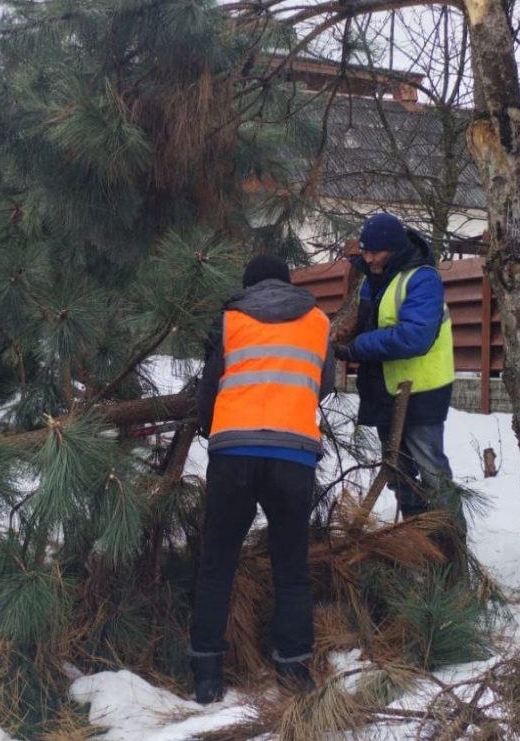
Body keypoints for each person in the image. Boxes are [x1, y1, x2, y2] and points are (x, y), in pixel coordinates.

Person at [190, 254, 335, 704]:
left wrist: (207, 425)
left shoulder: (230, 318)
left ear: (248, 285)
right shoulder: (318, 322)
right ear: (288, 284)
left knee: (217, 565)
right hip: (293, 455)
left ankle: (207, 675)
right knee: (291, 569)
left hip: (234, 451)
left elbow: (210, 385)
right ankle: (293, 671)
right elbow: (325, 383)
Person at [332, 213, 462, 524]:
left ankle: (451, 542)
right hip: (383, 389)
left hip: (421, 390)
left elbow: (414, 336)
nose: (368, 258)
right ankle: (415, 538)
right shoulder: (370, 279)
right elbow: (361, 321)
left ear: (394, 249)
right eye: (364, 251)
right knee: (397, 472)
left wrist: (357, 347)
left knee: (432, 471)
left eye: (375, 252)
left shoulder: (422, 279)